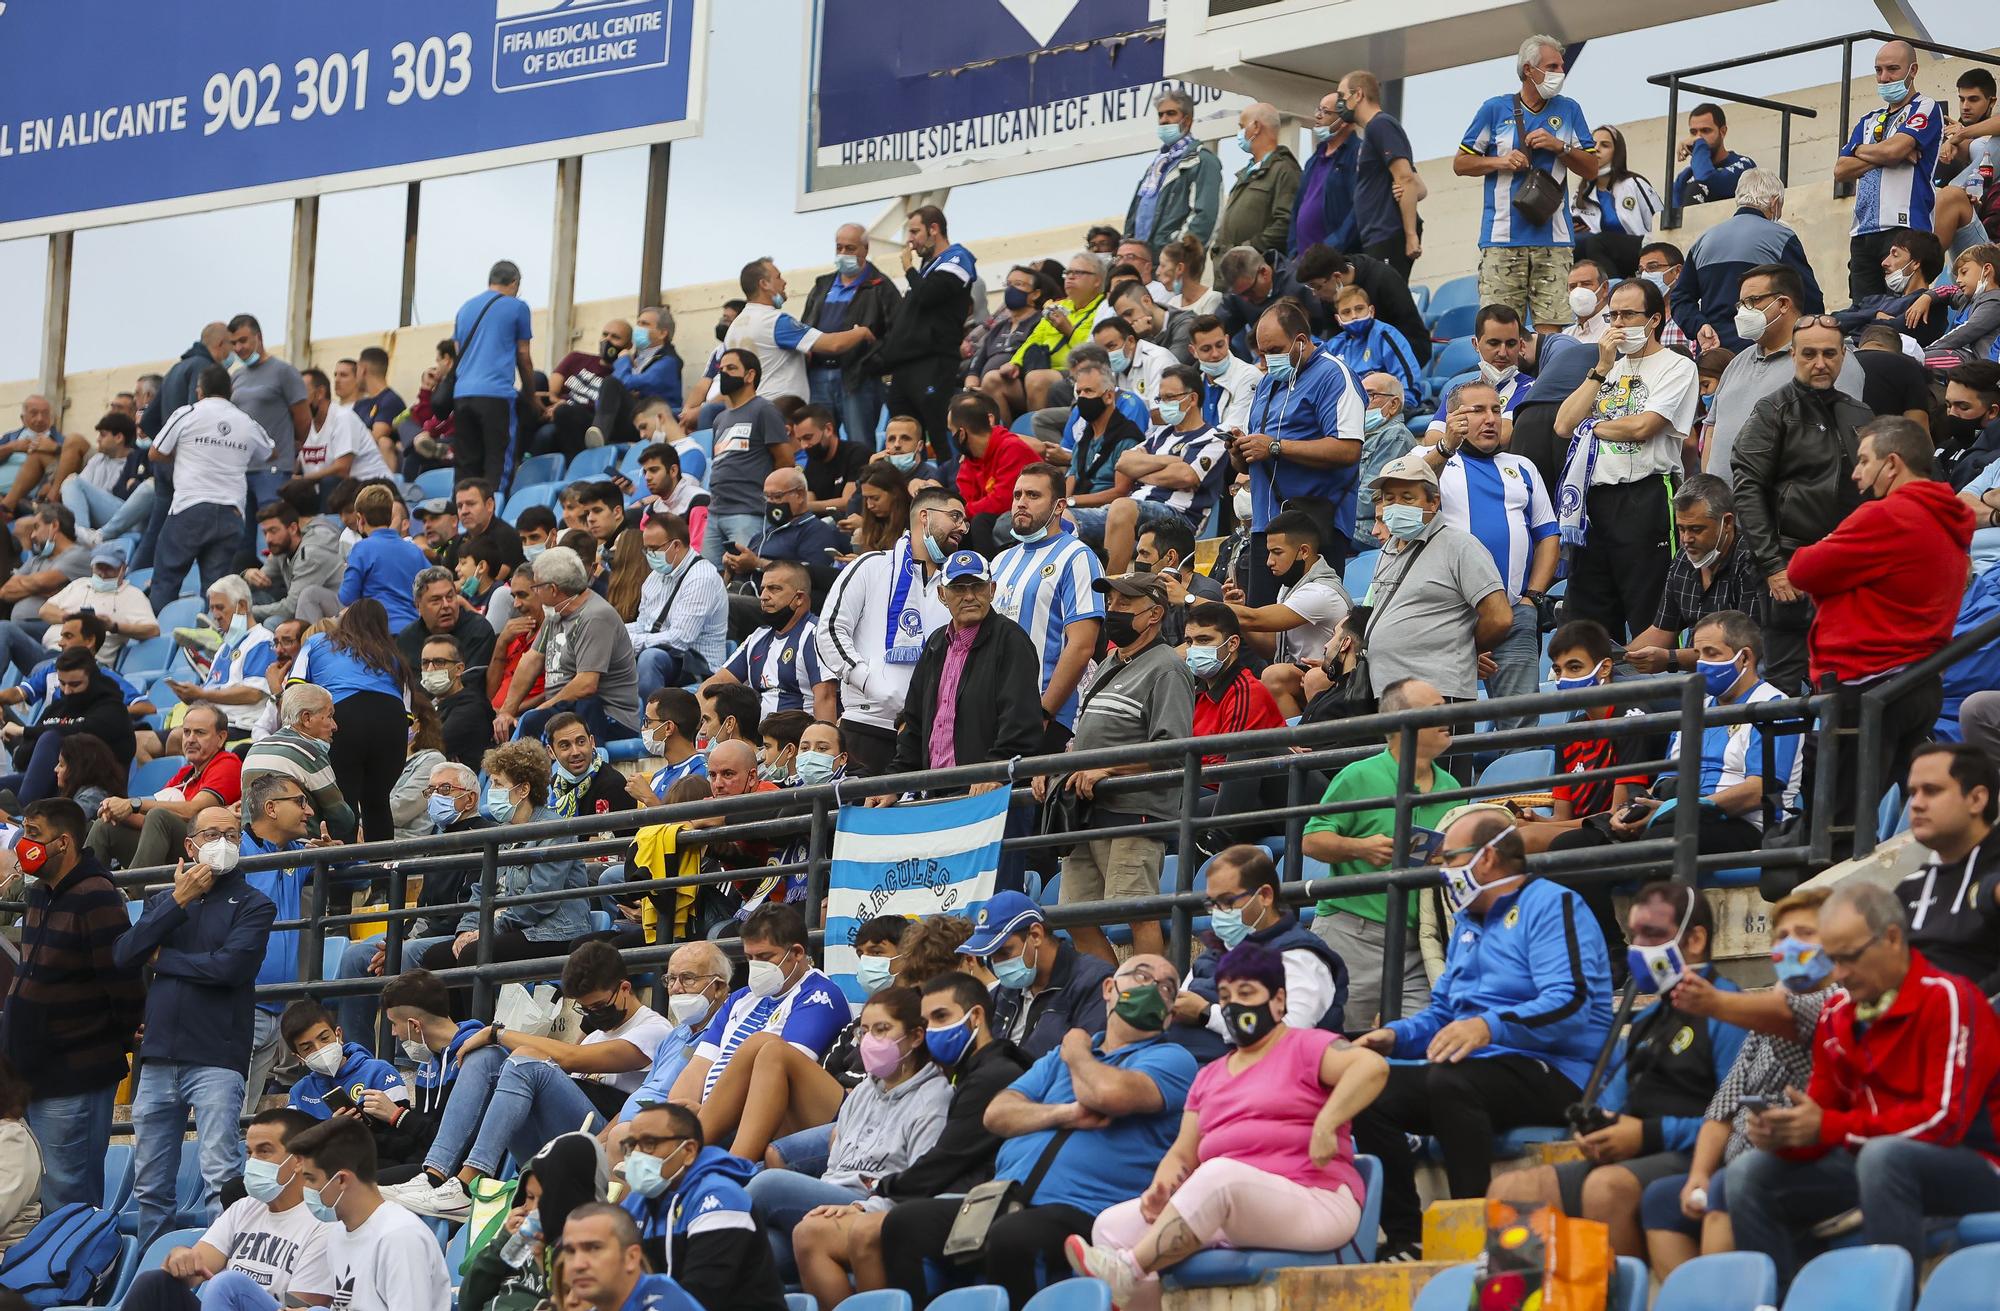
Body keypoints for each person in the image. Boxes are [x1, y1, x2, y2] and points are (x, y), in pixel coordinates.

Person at [1350, 810, 1613, 1262]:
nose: (1444, 872)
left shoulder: (1553, 904)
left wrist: (1490, 1025)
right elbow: (1443, 1016)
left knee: (1450, 1079)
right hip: (1479, 1069)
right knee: (1365, 1086)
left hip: (1560, 1072)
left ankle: (1474, 1235)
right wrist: (1393, 1038)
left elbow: (1572, 1004)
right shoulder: (1469, 923)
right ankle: (1406, 1237)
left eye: (1450, 858)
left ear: (1486, 858)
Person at [1071, 942, 1386, 1308]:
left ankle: (1127, 1269)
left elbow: (1371, 1068)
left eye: (1247, 993)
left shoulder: (1307, 1046)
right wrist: (1162, 1187)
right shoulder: (1210, 1076)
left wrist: (1326, 1123)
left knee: (1220, 1176)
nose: (1235, 1005)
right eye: (1226, 995)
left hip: (1316, 1199)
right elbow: (1182, 1154)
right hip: (1230, 1206)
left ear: (1278, 1001)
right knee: (1110, 1226)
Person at [880, 955, 1198, 1308]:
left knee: (1015, 1237)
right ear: (1109, 989)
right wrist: (1064, 1113)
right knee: (905, 1224)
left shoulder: (1172, 1058)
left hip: (1087, 1210)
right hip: (1004, 1199)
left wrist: (1077, 1050)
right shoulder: (1053, 1060)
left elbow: (1109, 1094)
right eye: (1141, 976)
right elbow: (998, 1113)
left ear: (1170, 1013)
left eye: (1167, 987)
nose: (1153, 988)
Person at [1726, 881, 2000, 1290]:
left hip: (1976, 1164)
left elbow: (1944, 1123)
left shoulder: (1950, 998)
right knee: (1749, 1173)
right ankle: (1779, 1300)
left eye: (1850, 958)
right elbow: (1822, 1116)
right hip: (1875, 1161)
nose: (1839, 974)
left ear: (1892, 938)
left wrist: (1829, 1128)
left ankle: (1892, 1298)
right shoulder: (1837, 1013)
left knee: (1883, 1158)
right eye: (1833, 959)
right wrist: (1789, 1134)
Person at [1488, 883, 1747, 1259]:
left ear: (1695, 939)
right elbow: (1613, 1100)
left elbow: (1737, 1119)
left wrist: (1646, 1135)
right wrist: (1596, 1130)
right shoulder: (1647, 1019)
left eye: (1653, 934)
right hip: (1636, 1155)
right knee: (1510, 1192)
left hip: (1692, 1156)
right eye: (1633, 935)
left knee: (1605, 1188)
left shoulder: (1730, 1010)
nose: (1638, 947)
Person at [1787, 419, 1973, 867]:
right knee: (1851, 823)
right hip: (1914, 684)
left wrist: (1828, 544)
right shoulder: (1943, 517)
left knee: (1832, 837)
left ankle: (1834, 929)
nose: (1855, 473)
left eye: (1865, 461)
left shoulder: (1888, 514)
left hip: (1867, 686)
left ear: (1892, 464)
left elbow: (1802, 569)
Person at [790, 970, 1032, 1310]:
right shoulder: (966, 1072)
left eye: (941, 1017)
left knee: (768, 1189)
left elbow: (944, 1161)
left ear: (975, 1016)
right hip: (924, 1194)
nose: (933, 1030)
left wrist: (876, 1193)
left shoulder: (991, 1075)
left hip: (974, 1200)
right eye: (929, 1020)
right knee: (771, 1242)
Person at [390, 943, 674, 1222]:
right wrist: (493, 1041)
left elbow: (574, 1058)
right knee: (486, 1057)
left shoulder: (654, 1029)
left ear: (624, 989)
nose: (593, 1015)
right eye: (585, 1010)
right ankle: (434, 1176)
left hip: (598, 1142)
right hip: (554, 1139)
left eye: (598, 1006)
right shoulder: (595, 1033)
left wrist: (496, 1032)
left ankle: (468, 1183)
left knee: (524, 1058)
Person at [1637, 889, 1833, 1278]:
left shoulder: (1835, 1002)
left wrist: (1712, 1003)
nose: (1790, 944)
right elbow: (1722, 1108)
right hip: (1740, 1162)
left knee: (1727, 1188)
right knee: (1661, 1199)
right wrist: (1697, 1176)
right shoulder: (1760, 1022)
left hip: (1801, 1165)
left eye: (1806, 933)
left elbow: (1786, 1012)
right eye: (1781, 936)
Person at [116, 805, 278, 1252]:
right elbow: (124, 953)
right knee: (150, 1186)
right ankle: (154, 1273)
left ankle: (219, 1269)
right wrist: (177, 900)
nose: (223, 842)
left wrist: (164, 960)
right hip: (158, 1056)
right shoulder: (162, 902)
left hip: (216, 1056)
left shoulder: (255, 904)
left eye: (231, 834)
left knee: (219, 1177)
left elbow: (231, 967)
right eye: (211, 834)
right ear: (190, 845)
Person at [745, 986, 953, 1280]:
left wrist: (863, 1208)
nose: (870, 1041)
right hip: (829, 1201)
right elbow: (835, 1166)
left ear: (917, 1036)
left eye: (882, 1030)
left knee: (767, 1183)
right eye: (865, 1032)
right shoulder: (861, 1093)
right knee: (757, 1257)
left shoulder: (935, 1098)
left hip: (875, 1208)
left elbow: (922, 1184)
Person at [1, 799, 142, 1210]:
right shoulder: (40, 894)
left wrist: (117, 1036)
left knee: (70, 1194)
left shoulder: (96, 895)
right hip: (31, 1071)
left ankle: (80, 1274)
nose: (24, 843)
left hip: (74, 1074)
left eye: (33, 834)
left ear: (63, 842)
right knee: (39, 1191)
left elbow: (121, 977)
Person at [1047, 572, 1194, 964]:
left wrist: (1109, 770)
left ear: (1154, 615)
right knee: (1074, 915)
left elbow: (1174, 748)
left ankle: (1147, 996)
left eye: (1124, 606)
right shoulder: (1111, 659)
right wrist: (1058, 764)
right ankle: (1114, 992)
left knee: (1137, 912)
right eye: (1110, 604)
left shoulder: (1167, 667)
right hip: (1086, 810)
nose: (1113, 612)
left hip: (1135, 810)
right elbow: (1086, 733)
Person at [1728, 317, 1873, 694]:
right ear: (1793, 355)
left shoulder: (1860, 413)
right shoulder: (1773, 410)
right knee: (1783, 686)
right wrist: (1773, 566)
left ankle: (1833, 753)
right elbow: (1748, 489)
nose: (1820, 362)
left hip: (1846, 570)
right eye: (1809, 354)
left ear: (1843, 356)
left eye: (1829, 353)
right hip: (1789, 567)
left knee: (1847, 683)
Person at [1553, 276, 1701, 640]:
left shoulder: (1677, 366)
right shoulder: (1607, 369)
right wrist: (1600, 369)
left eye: (1628, 315)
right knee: (1589, 617)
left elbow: (1644, 427)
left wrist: (1591, 426)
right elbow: (1562, 424)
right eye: (1613, 316)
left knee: (1651, 610)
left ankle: (1659, 696)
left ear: (1654, 320)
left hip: (1646, 496)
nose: (1618, 325)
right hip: (1595, 501)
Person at [1427, 378, 1559, 724]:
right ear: (1454, 417)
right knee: (1446, 728)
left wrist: (1532, 596)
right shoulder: (1432, 460)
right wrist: (1444, 447)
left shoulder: (1523, 467)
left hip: (1515, 613)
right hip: (1451, 618)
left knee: (1521, 726)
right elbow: (1406, 492)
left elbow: (1548, 534)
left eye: (1496, 410)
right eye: (1478, 411)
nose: (1490, 419)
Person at [116, 1107, 335, 1311]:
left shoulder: (324, 1223)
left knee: (228, 1284)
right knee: (154, 1283)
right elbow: (196, 1269)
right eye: (249, 1153)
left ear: (297, 1161)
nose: (253, 1162)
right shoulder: (244, 1207)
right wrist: (180, 1259)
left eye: (264, 1152)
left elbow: (300, 1306)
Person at [815, 486, 962, 775]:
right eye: (955, 516)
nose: (962, 527)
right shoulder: (871, 566)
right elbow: (829, 631)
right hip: (865, 725)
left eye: (965, 521)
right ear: (924, 516)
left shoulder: (958, 587)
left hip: (927, 734)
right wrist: (871, 683)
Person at [667, 904, 846, 1140]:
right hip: (710, 1118)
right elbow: (698, 1067)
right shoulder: (741, 998)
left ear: (797, 953)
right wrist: (677, 1121)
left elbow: (778, 1080)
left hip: (761, 1123)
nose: (756, 966)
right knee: (626, 1134)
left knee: (761, 1044)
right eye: (750, 958)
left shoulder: (818, 996)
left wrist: (709, 1119)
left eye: (764, 957)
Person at [1455, 35, 1599, 326]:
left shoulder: (1569, 109)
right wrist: (1500, 161)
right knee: (1501, 328)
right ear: (1529, 70)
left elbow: (1592, 168)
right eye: (1552, 66)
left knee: (1553, 330)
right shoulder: (1495, 109)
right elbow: (1461, 163)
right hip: (1501, 239)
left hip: (1555, 240)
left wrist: (1560, 146)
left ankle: (1547, 374)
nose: (1560, 72)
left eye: (1561, 66)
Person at [412, 739, 587, 977]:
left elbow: (541, 899)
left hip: (551, 931)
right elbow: (480, 891)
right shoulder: (500, 834)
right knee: (436, 957)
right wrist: (467, 930)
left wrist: (489, 929)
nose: (491, 791)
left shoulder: (554, 830)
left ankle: (479, 1016)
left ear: (523, 789)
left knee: (473, 954)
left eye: (497, 783)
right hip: (508, 929)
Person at [1232, 301, 1366, 605]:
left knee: (1308, 628)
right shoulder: (1268, 382)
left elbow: (1348, 449)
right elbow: (1258, 453)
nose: (1268, 360)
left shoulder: (1334, 375)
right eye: (1263, 353)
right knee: (1264, 626)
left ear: (1301, 340)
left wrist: (1275, 447)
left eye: (1276, 349)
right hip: (1266, 525)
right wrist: (1240, 451)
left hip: (1313, 526)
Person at [883, 550, 1044, 786]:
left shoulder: (1011, 640)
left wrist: (994, 772)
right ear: (941, 594)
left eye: (977, 586)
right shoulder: (936, 643)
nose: (969, 596)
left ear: (992, 589)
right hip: (937, 793)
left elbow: (1021, 723)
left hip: (990, 796)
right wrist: (893, 785)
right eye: (958, 588)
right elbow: (914, 725)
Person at [1359, 455, 1511, 702]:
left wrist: (1466, 649)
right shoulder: (1387, 551)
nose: (1396, 506)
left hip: (1438, 693)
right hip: (1387, 693)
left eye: (1407, 498)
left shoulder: (1459, 546)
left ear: (1434, 501)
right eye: (1389, 499)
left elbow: (1500, 617)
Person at [1173, 846, 1347, 1060]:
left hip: (1250, 1082)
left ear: (1265, 895)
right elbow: (1181, 1004)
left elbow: (1289, 1036)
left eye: (1227, 902)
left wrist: (1207, 1014)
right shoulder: (1216, 950)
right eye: (1213, 904)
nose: (1218, 913)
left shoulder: (1301, 956)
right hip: (1184, 1069)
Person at [612, 1106, 785, 1311]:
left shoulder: (720, 1199)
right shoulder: (637, 1203)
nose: (637, 1155)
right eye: (631, 1146)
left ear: (689, 1151)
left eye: (649, 1144)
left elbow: (701, 1297)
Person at [1705, 264, 1867, 480]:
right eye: (1740, 304)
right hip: (1721, 507)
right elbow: (1712, 429)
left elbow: (1842, 441)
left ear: (1783, 304)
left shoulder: (1828, 362)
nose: (1743, 312)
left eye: (1752, 301)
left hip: (1783, 508)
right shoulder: (1738, 362)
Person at [288, 1116, 453, 1311]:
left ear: (341, 1179)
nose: (304, 1188)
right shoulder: (338, 1233)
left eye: (310, 1179)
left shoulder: (400, 1238)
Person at [288, 599, 415, 843]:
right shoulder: (394, 656)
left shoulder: (316, 642)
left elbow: (295, 688)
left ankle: (346, 875)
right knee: (378, 802)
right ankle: (384, 878)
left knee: (343, 802)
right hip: (392, 721)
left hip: (344, 714)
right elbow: (407, 713)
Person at [148, 365, 273, 610]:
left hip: (189, 509)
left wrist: (186, 453)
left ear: (199, 391)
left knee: (166, 582)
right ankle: (212, 644)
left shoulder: (188, 412)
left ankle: (156, 637)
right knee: (217, 592)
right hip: (231, 513)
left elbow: (155, 452)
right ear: (231, 391)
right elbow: (270, 451)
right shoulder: (245, 421)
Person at [499, 546, 644, 746]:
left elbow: (586, 684)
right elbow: (531, 660)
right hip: (564, 711)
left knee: (533, 723)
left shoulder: (595, 616)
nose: (536, 592)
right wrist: (507, 711)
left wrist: (543, 708)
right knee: (506, 727)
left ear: (552, 589)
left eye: (536, 587)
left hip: (606, 717)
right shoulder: (556, 613)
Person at [1834, 39, 1945, 300]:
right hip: (1863, 231)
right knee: (1863, 314)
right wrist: (1885, 153)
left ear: (1913, 70)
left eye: (1893, 69)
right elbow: (1840, 169)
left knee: (1899, 309)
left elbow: (1894, 150)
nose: (1884, 78)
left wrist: (1862, 150)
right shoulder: (1868, 119)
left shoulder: (1925, 106)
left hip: (1904, 227)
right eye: (1879, 70)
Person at [1624, 475, 1767, 675]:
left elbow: (1739, 650)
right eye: (1681, 529)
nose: (1686, 539)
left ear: (1727, 522)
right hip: (1692, 677)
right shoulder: (1683, 559)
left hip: (1740, 678)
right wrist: (1616, 656)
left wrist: (1671, 659)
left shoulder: (1752, 561)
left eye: (1696, 529)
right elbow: (1661, 631)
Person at [1671, 170, 1826, 353]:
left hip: (1714, 353)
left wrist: (1698, 326)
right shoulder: (1782, 238)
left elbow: (1680, 298)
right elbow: (1809, 299)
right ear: (1775, 202)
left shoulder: (1703, 240)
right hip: (1764, 351)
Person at [1897, 743, 2000, 1000]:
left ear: (1977, 799)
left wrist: (1955, 1010)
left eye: (1931, 791)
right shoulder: (1908, 890)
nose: (1917, 804)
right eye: (1913, 792)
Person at [874, 206, 980, 453]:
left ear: (934, 229)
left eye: (914, 231)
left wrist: (910, 270)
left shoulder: (957, 258)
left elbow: (929, 295)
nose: (910, 240)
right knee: (904, 433)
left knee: (938, 430)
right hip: (906, 365)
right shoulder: (928, 267)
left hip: (933, 362)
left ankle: (952, 484)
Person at [1225, 509, 1351, 716]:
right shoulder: (1289, 587)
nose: (1269, 561)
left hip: (1333, 686)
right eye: (1268, 552)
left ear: (1303, 551)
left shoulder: (1321, 591)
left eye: (1277, 552)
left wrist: (1189, 599)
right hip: (1301, 682)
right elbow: (1268, 649)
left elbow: (1256, 618)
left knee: (1275, 676)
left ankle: (1299, 743)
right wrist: (1241, 619)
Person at [86, 702, 241, 870]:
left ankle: (133, 890)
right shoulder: (185, 774)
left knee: (159, 815)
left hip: (207, 852)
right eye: (186, 732)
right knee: (105, 826)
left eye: (200, 733)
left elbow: (194, 812)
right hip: (178, 850)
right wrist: (119, 812)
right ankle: (86, 890)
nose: (190, 739)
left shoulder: (227, 763)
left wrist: (133, 804)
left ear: (221, 738)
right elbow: (151, 825)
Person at [960, 892, 1113, 1060]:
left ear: (1036, 935)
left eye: (1004, 952)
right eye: (991, 956)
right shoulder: (1003, 992)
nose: (997, 965)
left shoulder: (1094, 982)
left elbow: (1090, 1062)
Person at [442, 260, 540, 486]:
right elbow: (523, 357)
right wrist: (531, 395)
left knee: (466, 466)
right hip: (496, 395)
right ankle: (493, 512)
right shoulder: (518, 307)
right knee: (498, 463)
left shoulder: (465, 308)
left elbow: (459, 354)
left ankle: (462, 513)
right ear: (514, 282)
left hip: (462, 395)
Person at [698, 348, 798, 568]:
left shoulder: (764, 410)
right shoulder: (719, 419)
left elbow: (785, 461)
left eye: (731, 368)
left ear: (750, 376)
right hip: (715, 512)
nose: (724, 374)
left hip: (748, 511)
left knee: (745, 578)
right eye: (721, 369)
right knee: (706, 580)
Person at [799, 230, 900, 445]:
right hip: (818, 377)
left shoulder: (881, 287)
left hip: (858, 379)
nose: (843, 253)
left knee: (860, 444)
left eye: (850, 248)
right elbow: (806, 326)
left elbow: (897, 335)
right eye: (839, 247)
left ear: (866, 249)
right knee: (820, 445)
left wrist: (870, 363)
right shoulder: (821, 286)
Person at [0, 649, 136, 806]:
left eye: (75, 684)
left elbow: (80, 729)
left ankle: (26, 816)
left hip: (95, 793)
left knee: (50, 737)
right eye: (62, 684)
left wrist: (25, 731)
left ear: (92, 679)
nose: (67, 691)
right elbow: (23, 757)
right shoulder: (59, 707)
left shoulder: (113, 709)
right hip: (56, 782)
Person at [629, 509, 728, 700]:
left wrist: (631, 642)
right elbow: (644, 624)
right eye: (646, 549)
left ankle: (653, 722)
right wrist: (616, 633)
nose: (649, 555)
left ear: (675, 545)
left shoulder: (701, 578)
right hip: (670, 659)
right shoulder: (656, 576)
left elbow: (680, 639)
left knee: (650, 658)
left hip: (698, 666)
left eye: (653, 548)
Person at [1127, 89, 1222, 255]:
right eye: (1160, 115)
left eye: (1171, 114)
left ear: (1188, 120)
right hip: (1143, 263)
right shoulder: (1157, 165)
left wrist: (1178, 253)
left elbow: (1206, 217)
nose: (1164, 120)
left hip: (1172, 264)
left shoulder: (1202, 161)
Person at [1212, 103, 1300, 257]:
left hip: (1255, 270)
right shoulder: (1247, 173)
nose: (1239, 133)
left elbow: (1285, 223)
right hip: (1231, 272)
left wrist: (1249, 250)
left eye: (1242, 126)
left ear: (1256, 127)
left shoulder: (1284, 170)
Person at [1574, 126, 1663, 277]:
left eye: (1605, 145)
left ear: (1617, 152)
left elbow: (1660, 220)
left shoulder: (1633, 183)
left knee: (1597, 242)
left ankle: (1613, 290)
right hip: (1603, 255)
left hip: (1643, 248)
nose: (1597, 149)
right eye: (1593, 144)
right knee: (1574, 245)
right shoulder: (1582, 193)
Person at [248, 499, 344, 627]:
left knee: (272, 623)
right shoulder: (281, 549)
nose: (268, 539)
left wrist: (247, 612)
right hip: (304, 610)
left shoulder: (310, 554)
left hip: (337, 613)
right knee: (244, 598)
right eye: (265, 533)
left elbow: (291, 607)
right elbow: (260, 578)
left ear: (293, 528)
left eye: (273, 531)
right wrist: (247, 575)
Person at [298, 366, 393, 492]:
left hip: (373, 490)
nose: (296, 401)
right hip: (337, 492)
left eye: (301, 394)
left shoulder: (343, 417)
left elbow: (342, 469)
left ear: (320, 393)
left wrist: (302, 480)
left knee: (329, 483)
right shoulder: (304, 423)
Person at [1326, 284, 1423, 397]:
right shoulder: (1333, 346)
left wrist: (1404, 404)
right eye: (1346, 312)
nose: (1354, 316)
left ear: (1371, 311)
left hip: (1387, 406)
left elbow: (1408, 379)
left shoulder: (1385, 335)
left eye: (1359, 309)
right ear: (1338, 319)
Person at [416, 635, 494, 772]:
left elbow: (431, 748)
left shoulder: (472, 708)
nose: (430, 669)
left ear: (459, 669)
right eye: (425, 663)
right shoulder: (429, 703)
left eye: (439, 662)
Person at [397, 566, 495, 672]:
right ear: (418, 606)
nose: (446, 605)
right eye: (436, 600)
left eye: (450, 597)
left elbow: (472, 684)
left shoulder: (478, 630)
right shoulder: (407, 639)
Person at [548, 712, 640, 821]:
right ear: (551, 752)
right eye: (565, 746)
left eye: (581, 742)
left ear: (592, 742)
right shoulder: (557, 782)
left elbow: (608, 837)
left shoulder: (612, 784)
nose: (575, 752)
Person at [1674, 103, 1757, 209]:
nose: (1698, 137)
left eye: (1706, 131)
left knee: (1695, 188)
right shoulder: (1685, 176)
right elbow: (1674, 213)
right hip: (1694, 225)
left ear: (1723, 131)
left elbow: (1707, 180)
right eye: (1693, 132)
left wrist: (1700, 144)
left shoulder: (1744, 164)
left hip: (1730, 224)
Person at [1943, 360, 2000, 492]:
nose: (1952, 413)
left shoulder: (1992, 462)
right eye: (1948, 405)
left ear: (1992, 412)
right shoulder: (1945, 448)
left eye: (1963, 407)